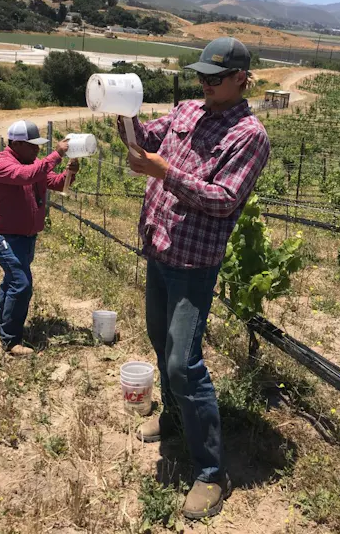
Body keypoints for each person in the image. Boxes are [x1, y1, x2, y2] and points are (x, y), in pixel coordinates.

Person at [118, 37, 270, 520]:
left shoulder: (249, 135)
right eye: (202, 75)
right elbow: (147, 139)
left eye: (216, 77)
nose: (205, 83)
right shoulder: (187, 111)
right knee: (160, 342)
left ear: (242, 78)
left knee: (184, 362)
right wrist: (124, 113)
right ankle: (174, 421)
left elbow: (225, 198)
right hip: (159, 246)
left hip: (194, 261)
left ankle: (211, 472)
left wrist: (165, 172)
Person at [0, 120, 77, 356]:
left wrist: (70, 172)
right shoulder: (0, 164)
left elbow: (55, 183)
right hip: (4, 236)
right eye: (32, 145)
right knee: (21, 284)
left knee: (12, 281)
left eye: (39, 145)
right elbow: (26, 176)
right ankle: (10, 340)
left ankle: (1, 324)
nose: (37, 150)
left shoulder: (33, 162)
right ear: (16, 143)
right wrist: (56, 154)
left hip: (25, 236)